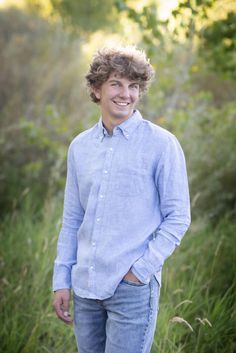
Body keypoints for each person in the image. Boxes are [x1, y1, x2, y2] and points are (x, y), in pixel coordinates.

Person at [53, 46, 191, 353]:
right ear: (96, 88)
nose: (125, 94)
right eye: (116, 83)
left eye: (134, 86)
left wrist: (138, 273)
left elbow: (178, 217)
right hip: (86, 286)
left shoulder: (162, 145)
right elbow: (73, 219)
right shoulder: (80, 147)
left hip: (131, 289)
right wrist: (61, 278)